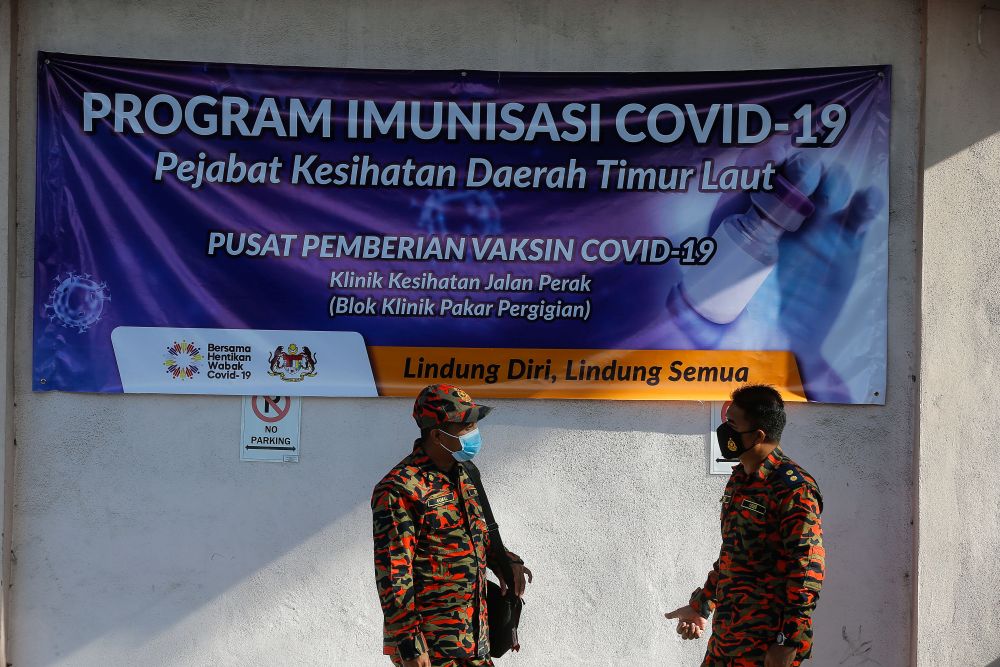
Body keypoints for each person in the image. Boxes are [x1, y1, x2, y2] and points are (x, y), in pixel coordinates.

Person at [372, 384, 532, 667]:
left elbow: (476, 533)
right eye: (465, 425)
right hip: (433, 646)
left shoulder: (466, 473)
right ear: (437, 434)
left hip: (475, 638)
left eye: (474, 424)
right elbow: (394, 574)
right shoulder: (400, 488)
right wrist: (409, 644)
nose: (474, 432)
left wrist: (505, 561)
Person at [665, 385, 824, 667]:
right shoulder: (740, 480)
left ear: (758, 436)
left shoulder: (792, 488)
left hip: (764, 645)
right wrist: (701, 605)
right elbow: (733, 554)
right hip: (727, 637)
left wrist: (788, 642)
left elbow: (807, 570)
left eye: (733, 424)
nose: (725, 431)